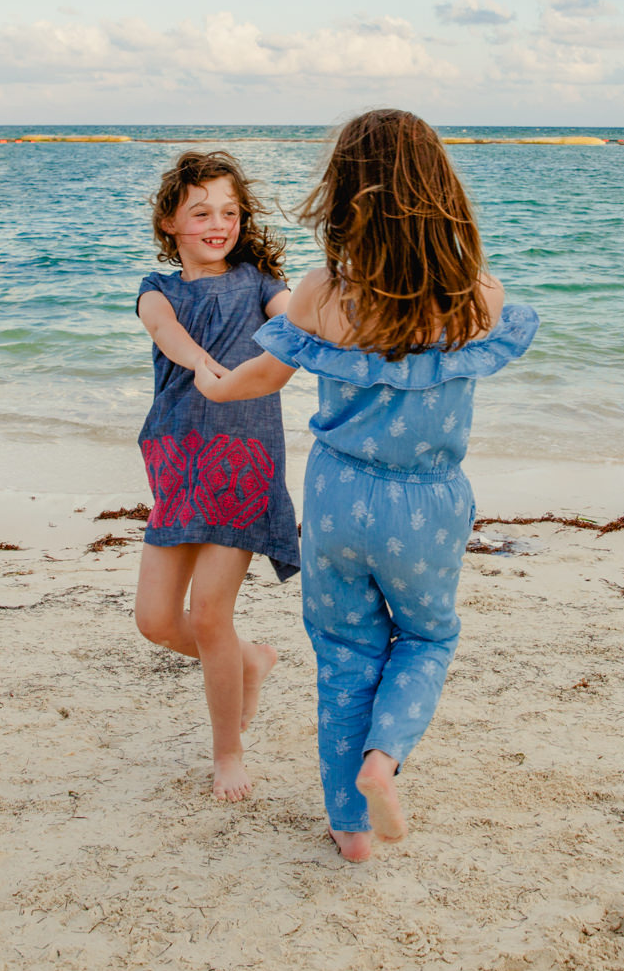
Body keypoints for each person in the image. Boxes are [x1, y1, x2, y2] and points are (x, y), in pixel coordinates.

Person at [195, 109, 537, 861]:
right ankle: (384, 758)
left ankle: (349, 829)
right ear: (442, 192)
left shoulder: (322, 293)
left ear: (346, 193)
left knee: (346, 650)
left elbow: (264, 373)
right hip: (427, 504)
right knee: (425, 635)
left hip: (337, 497)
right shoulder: (479, 296)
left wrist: (215, 389)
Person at [133, 150, 298, 803]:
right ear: (171, 221)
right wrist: (202, 362)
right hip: (177, 460)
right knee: (154, 620)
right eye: (200, 211)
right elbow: (164, 329)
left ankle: (227, 752)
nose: (217, 223)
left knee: (207, 615)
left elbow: (297, 315)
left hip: (245, 464)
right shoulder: (159, 287)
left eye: (228, 212)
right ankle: (248, 659)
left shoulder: (260, 283)